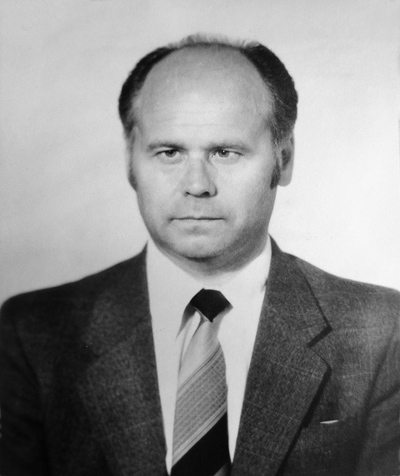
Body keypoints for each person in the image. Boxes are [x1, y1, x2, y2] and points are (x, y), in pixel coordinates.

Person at [0, 35, 399, 476]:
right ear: (130, 161)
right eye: (169, 152)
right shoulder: (33, 333)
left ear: (283, 159)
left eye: (225, 152)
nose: (197, 185)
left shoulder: (382, 332)